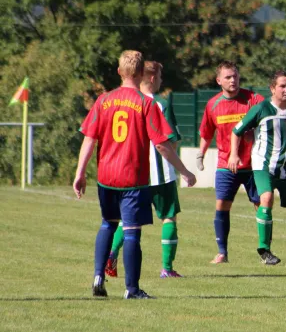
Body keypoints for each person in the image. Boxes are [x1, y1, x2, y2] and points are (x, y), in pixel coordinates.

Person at [73, 50, 196, 299]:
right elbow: (161, 144)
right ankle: (132, 289)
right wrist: (184, 171)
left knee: (108, 224)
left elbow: (89, 139)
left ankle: (98, 275)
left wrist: (80, 173)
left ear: (119, 72)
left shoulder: (103, 101)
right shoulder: (145, 103)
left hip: (106, 177)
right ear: (141, 74)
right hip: (133, 178)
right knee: (131, 232)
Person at [105, 61, 186, 279]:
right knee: (169, 217)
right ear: (152, 78)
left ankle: (111, 255)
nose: (161, 80)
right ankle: (167, 268)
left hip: (133, 172)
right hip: (161, 174)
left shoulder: (125, 102)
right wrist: (182, 169)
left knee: (127, 220)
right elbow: (170, 141)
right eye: (160, 76)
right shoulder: (160, 104)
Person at [229, 70, 286, 266]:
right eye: (282, 86)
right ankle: (264, 250)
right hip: (263, 165)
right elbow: (237, 131)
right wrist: (234, 154)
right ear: (272, 88)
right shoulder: (261, 109)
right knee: (266, 198)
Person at [197, 61, 265, 264]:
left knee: (261, 205)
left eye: (235, 76)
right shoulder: (213, 104)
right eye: (228, 77)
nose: (233, 80)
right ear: (219, 81)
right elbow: (206, 133)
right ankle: (222, 252)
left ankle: (265, 251)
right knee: (222, 205)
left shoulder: (253, 99)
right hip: (226, 165)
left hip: (254, 164)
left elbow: (271, 115)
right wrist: (200, 155)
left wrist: (258, 130)